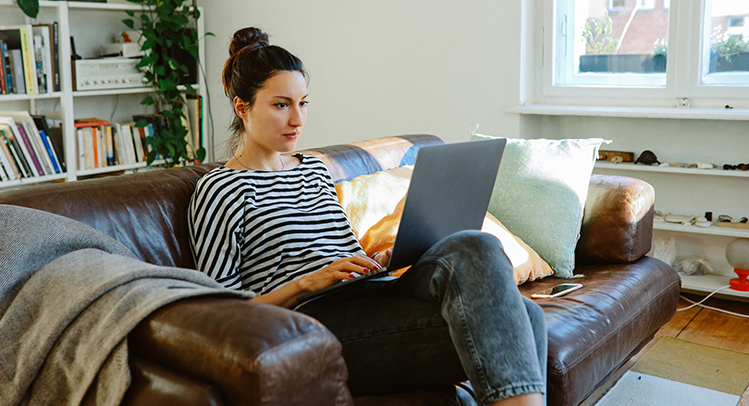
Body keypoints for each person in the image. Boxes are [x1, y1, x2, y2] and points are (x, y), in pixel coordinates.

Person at [188, 27, 547, 406]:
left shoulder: (312, 170)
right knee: (525, 319)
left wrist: (379, 260)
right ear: (242, 107)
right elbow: (218, 315)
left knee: (476, 244)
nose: (298, 119)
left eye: (304, 103)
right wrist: (306, 283)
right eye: (281, 105)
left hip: (370, 292)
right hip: (314, 323)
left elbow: (340, 248)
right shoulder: (221, 188)